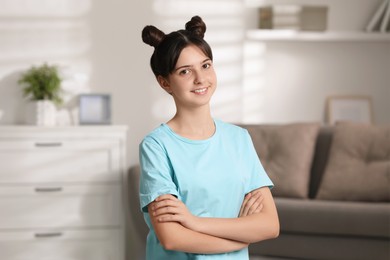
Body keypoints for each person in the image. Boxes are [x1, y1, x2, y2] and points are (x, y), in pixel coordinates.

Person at [139, 15, 279, 260]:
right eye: (185, 71)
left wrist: (194, 222)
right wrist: (243, 234)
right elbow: (172, 238)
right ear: (165, 83)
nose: (201, 79)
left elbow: (269, 225)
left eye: (205, 65)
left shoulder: (239, 139)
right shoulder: (156, 146)